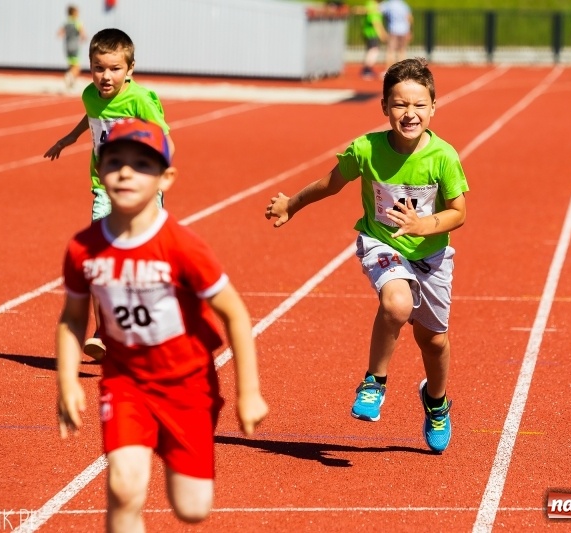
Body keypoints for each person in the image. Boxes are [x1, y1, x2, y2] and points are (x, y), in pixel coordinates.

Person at [57, 117, 269, 531]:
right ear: (99, 170)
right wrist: (66, 382)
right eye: (115, 161)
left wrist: (250, 392)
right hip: (125, 383)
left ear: (165, 178)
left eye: (143, 165)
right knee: (124, 486)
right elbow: (72, 319)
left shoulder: (183, 246)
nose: (126, 172)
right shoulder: (83, 248)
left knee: (192, 508)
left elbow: (236, 314)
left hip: (188, 386)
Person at [265, 58, 469, 453]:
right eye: (399, 105)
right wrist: (292, 203)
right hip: (382, 244)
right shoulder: (366, 149)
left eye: (418, 105)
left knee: (434, 342)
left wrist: (423, 225)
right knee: (396, 303)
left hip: (431, 256)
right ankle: (374, 383)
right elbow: (330, 183)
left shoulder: (444, 156)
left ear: (433, 108)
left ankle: (437, 402)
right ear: (384, 107)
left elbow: (458, 212)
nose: (409, 114)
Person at [44, 28, 173, 361]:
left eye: (115, 69)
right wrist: (68, 139)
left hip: (142, 191)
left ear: (129, 69)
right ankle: (103, 332)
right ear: (89, 66)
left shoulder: (141, 99)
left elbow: (165, 138)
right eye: (99, 68)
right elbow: (90, 118)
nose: (106, 76)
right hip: (104, 189)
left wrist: (160, 176)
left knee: (141, 263)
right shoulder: (89, 95)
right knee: (101, 260)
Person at [58, 5, 86, 90]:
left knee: (71, 65)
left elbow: (60, 33)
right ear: (74, 13)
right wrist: (82, 38)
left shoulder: (66, 22)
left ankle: (71, 83)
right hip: (75, 45)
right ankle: (69, 76)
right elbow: (82, 33)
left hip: (67, 45)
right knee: (77, 67)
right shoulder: (77, 22)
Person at [380, 0, 413, 72]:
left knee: (390, 51)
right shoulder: (404, 4)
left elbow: (378, 10)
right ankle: (403, 71)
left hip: (393, 30)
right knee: (402, 51)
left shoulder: (388, 4)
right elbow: (409, 18)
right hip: (404, 30)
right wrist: (410, 31)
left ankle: (388, 70)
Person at [358, 0, 387, 80]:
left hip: (369, 32)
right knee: (373, 50)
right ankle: (367, 70)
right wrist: (382, 34)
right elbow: (375, 21)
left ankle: (367, 69)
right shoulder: (372, 5)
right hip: (371, 33)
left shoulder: (371, 4)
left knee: (371, 50)